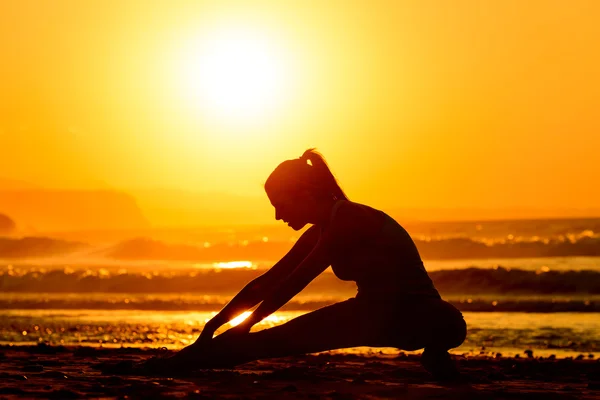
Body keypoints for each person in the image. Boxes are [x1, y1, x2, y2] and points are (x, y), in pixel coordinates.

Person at [145, 149, 467, 379]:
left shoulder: (349, 217)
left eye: (280, 205)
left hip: (421, 318)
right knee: (255, 344)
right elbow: (269, 281)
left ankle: (170, 366)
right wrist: (212, 326)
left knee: (257, 342)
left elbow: (296, 282)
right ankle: (175, 364)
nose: (277, 215)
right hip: (371, 314)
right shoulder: (321, 229)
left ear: (303, 193)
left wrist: (246, 325)